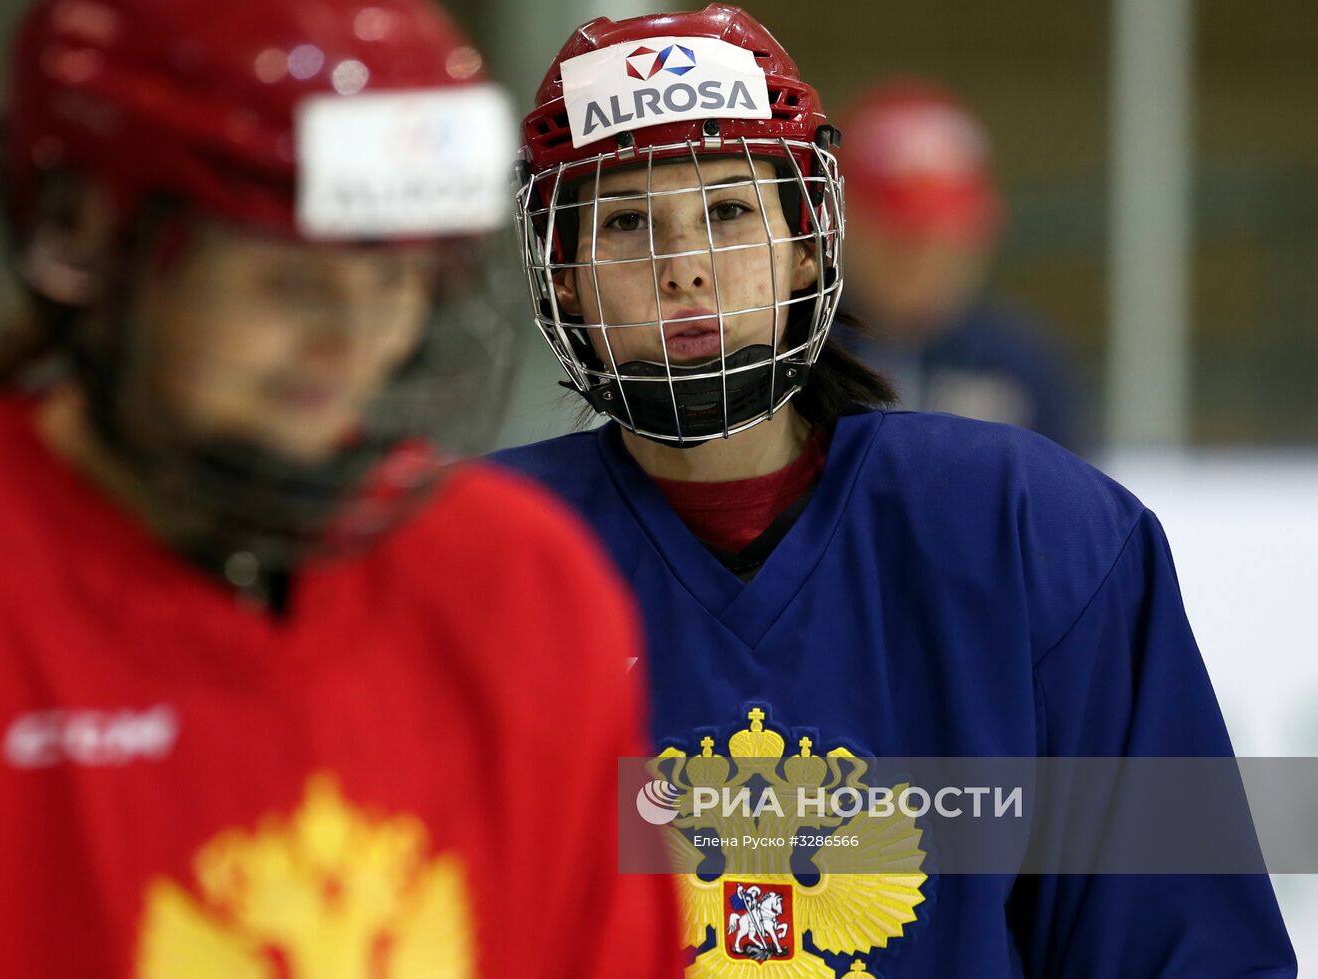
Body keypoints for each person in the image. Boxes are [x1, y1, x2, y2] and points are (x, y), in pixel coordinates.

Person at [496, 4, 1296, 976]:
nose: (684, 269)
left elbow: (1185, 949)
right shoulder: (472, 570)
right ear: (563, 276)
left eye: (728, 212)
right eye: (626, 223)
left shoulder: (1034, 532)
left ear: (805, 241)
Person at [0, 0, 680, 975]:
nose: (352, 345)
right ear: (88, 235)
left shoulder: (526, 593)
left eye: (399, 279)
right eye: (286, 280)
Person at [835, 81, 1089, 454]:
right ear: (843, 226)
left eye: (947, 236)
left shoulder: (1024, 366)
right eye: (902, 238)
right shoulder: (798, 358)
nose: (926, 258)